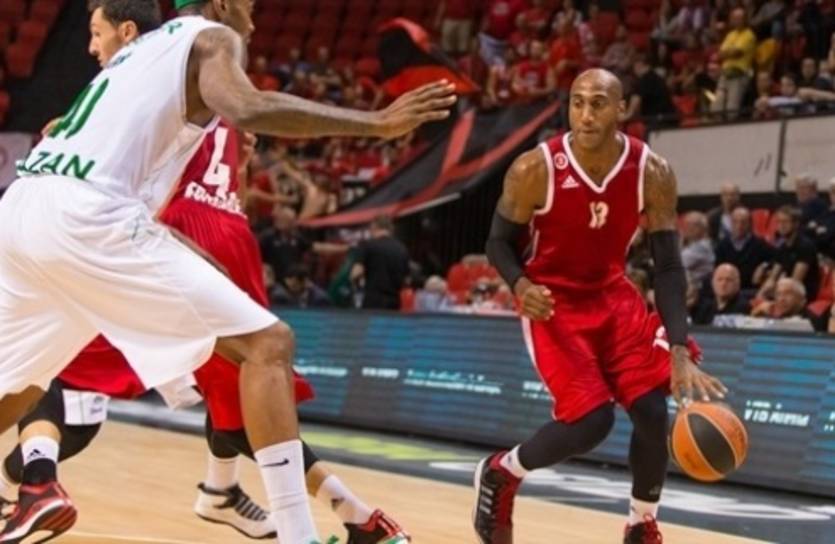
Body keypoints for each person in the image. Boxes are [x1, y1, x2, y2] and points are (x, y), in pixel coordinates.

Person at [0, 1, 455, 544]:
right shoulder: (210, 37)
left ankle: (63, 486)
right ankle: (297, 534)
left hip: (23, 210)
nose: (253, 21)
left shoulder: (131, 58)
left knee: (19, 384)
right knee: (267, 345)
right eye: (247, 6)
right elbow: (249, 107)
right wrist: (377, 123)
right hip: (90, 219)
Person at [476, 68, 725, 544]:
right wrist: (520, 284)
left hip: (613, 297)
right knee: (593, 422)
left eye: (598, 103)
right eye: (578, 102)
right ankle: (502, 472)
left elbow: (669, 267)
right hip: (553, 302)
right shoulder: (535, 169)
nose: (586, 114)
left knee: (652, 410)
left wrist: (677, 348)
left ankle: (641, 524)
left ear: (622, 109)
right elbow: (497, 243)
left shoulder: (652, 171)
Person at [351, 215, 411, 310]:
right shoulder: (402, 249)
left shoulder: (367, 245)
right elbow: (406, 280)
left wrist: (356, 284)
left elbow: (356, 273)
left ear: (374, 227)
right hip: (394, 303)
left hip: (372, 302)